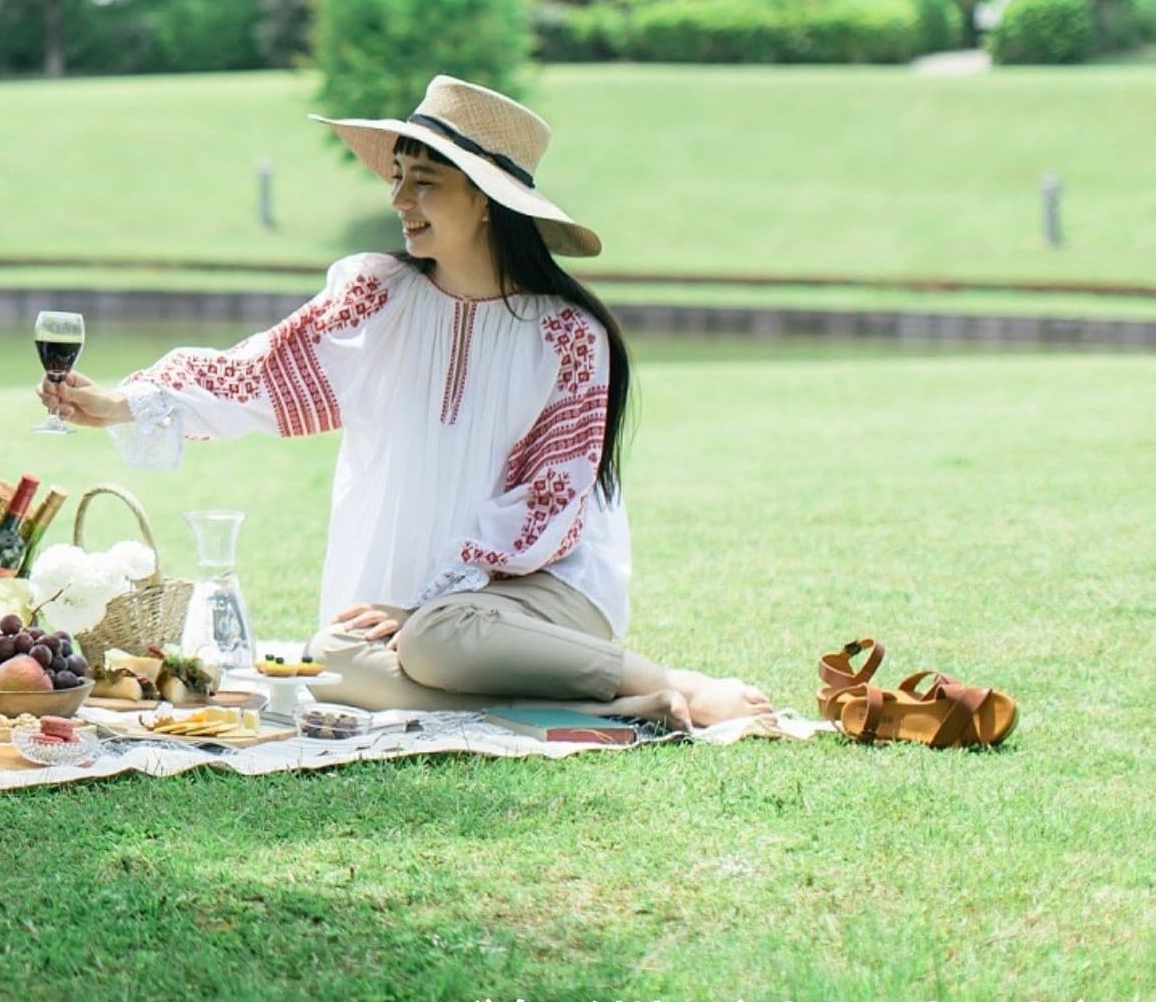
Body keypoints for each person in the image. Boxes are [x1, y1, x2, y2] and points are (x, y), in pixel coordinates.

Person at [39, 74, 772, 730]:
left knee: (435, 639)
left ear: (483, 200)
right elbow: (259, 373)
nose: (398, 200)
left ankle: (675, 684)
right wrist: (124, 403)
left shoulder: (568, 337)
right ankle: (605, 706)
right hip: (412, 617)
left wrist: (430, 605)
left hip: (533, 600)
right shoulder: (373, 297)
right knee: (327, 658)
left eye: (422, 181)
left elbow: (546, 510)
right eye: (397, 177)